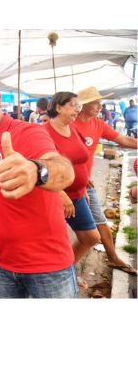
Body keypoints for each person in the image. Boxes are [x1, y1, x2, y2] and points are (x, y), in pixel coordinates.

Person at [0, 75, 77, 298]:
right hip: (1, 264)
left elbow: (63, 168)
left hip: (46, 266)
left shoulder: (25, 133)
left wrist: (36, 171)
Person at [73, 86, 137, 275]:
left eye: (100, 103)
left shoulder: (98, 124)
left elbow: (123, 139)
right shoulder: (70, 124)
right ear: (83, 106)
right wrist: (80, 178)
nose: (100, 107)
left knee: (98, 226)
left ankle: (113, 257)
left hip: (85, 185)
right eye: (96, 103)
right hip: (65, 187)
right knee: (66, 232)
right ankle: (63, 270)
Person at [43, 92, 101, 279]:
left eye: (78, 105)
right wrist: (61, 194)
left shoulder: (72, 129)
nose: (77, 109)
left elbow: (80, 158)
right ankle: (58, 277)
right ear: (58, 107)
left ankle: (65, 271)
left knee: (91, 238)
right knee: (54, 245)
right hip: (55, 197)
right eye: (72, 105)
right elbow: (43, 169)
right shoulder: (44, 132)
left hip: (77, 195)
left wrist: (82, 187)